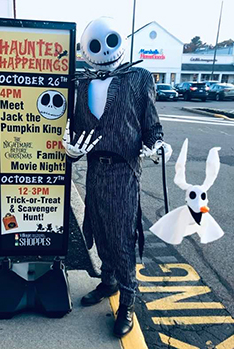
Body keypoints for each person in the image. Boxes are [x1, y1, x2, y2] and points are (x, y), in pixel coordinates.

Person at [63, 17, 172, 338]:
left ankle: (128, 298)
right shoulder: (81, 84)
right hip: (95, 168)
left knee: (123, 233)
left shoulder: (138, 78)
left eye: (110, 41)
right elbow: (76, 133)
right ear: (85, 49)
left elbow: (152, 126)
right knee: (98, 226)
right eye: (96, 45)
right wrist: (70, 152)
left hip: (124, 170)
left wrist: (157, 145)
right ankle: (108, 280)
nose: (105, 50)